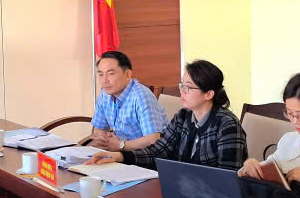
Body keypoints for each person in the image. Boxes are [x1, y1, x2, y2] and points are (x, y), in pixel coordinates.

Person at [87, 59, 246, 171]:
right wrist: (118, 156)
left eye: (188, 87)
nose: (182, 91)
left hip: (213, 197)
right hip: (183, 188)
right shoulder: (183, 117)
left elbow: (228, 176)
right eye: (182, 85)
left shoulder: (227, 124)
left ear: (208, 94)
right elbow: (158, 151)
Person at [89, 50, 166, 152]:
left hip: (149, 155)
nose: (104, 80)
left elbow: (153, 140)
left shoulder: (141, 97)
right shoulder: (105, 95)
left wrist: (120, 145)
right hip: (121, 152)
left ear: (128, 74)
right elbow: (99, 128)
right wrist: (103, 139)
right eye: (101, 74)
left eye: (110, 73)